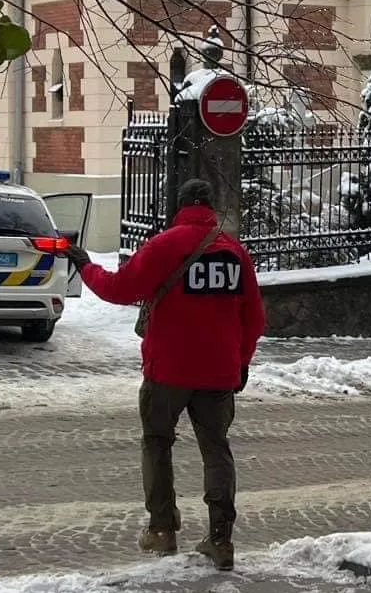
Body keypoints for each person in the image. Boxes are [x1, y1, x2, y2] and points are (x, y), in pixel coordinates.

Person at [78, 178, 263, 571]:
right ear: (211, 205)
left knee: (157, 442)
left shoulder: (166, 245)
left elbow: (119, 288)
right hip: (219, 371)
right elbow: (255, 316)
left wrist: (85, 266)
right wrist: (242, 361)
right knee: (216, 449)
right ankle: (221, 539)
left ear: (179, 205)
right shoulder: (235, 252)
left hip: (168, 370)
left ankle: (162, 529)